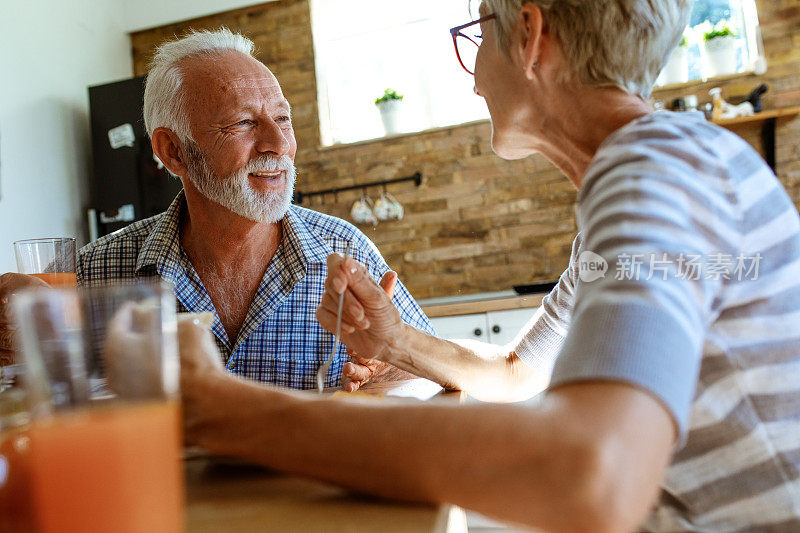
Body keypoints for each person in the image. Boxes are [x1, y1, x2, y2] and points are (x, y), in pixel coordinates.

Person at [175, 0, 800, 530]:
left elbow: (590, 474)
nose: (474, 77)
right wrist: (396, 341)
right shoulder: (655, 179)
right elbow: (514, 373)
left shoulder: (655, 170)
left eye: (477, 34)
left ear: (528, 35)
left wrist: (229, 410)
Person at [0, 29, 433, 389]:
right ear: (173, 152)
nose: (279, 145)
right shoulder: (97, 272)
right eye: (244, 123)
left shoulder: (347, 250)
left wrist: (389, 369)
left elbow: (438, 376)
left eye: (282, 119)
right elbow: (37, 397)